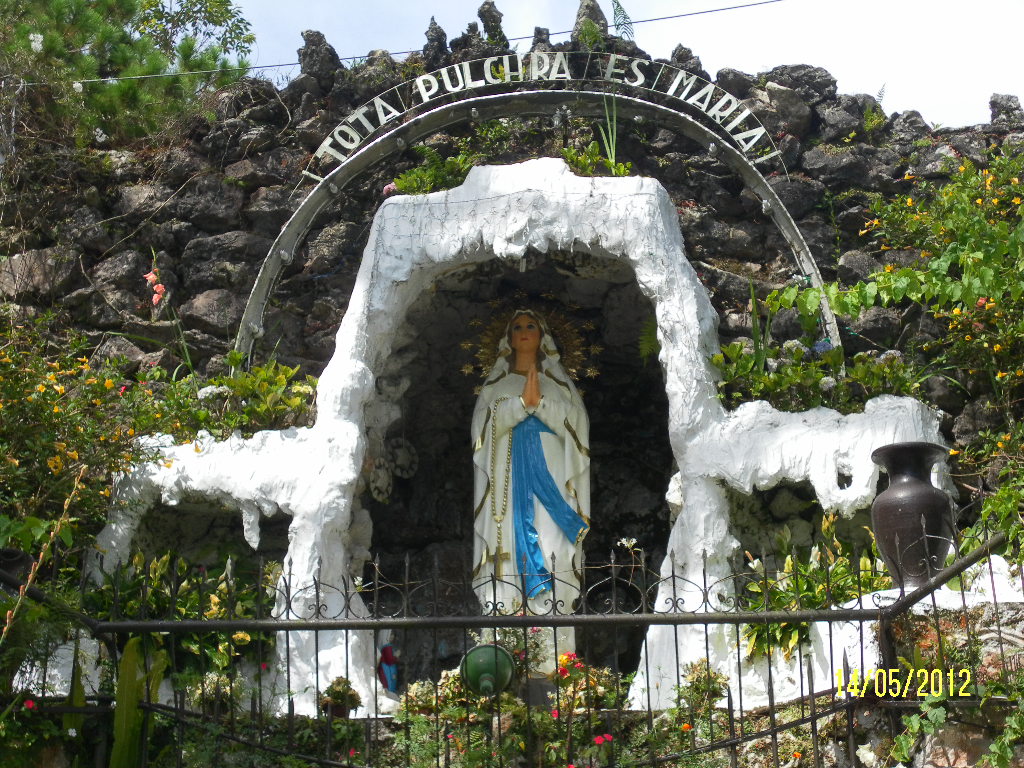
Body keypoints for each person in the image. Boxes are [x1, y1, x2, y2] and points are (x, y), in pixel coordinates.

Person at [471, 310, 591, 664]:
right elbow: (480, 432)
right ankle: (504, 650)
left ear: (543, 335)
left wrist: (543, 406)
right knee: (506, 557)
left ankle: (555, 658)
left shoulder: (559, 386)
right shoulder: (496, 387)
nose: (524, 332)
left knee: (553, 548)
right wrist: (519, 406)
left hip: (551, 487)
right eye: (517, 326)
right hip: (507, 494)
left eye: (531, 326)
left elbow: (579, 431)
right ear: (507, 336)